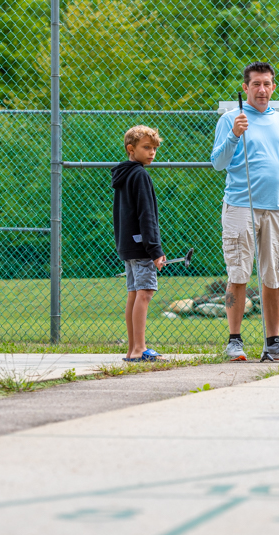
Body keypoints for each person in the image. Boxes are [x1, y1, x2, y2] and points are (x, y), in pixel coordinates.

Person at [210, 61, 279, 361]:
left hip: (276, 209)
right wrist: (234, 134)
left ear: (274, 86)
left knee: (272, 277)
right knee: (238, 273)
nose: (262, 90)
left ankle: (272, 342)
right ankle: (234, 340)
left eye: (267, 84)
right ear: (245, 88)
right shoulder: (230, 119)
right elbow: (218, 163)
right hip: (240, 206)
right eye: (256, 84)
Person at [112, 125, 167, 362]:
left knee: (134, 293)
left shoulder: (124, 174)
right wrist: (155, 250)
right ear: (130, 149)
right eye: (146, 147)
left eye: (154, 148)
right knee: (145, 293)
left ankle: (133, 348)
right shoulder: (140, 175)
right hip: (142, 246)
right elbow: (147, 216)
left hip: (128, 245)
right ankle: (138, 350)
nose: (152, 152)